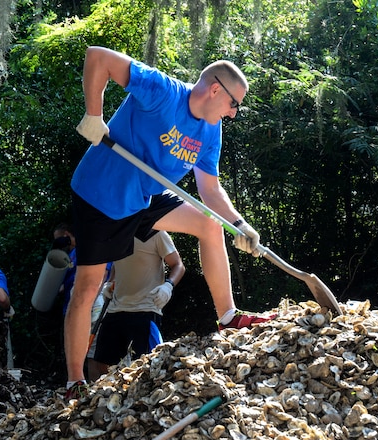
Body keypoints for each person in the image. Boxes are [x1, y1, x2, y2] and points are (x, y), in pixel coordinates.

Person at [64, 45, 277, 399]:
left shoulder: (211, 131)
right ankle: (74, 382)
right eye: (234, 103)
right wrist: (93, 115)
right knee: (87, 287)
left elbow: (209, 189)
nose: (234, 113)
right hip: (101, 194)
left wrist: (240, 224)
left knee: (211, 224)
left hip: (145, 197)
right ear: (215, 90)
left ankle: (228, 316)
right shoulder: (162, 91)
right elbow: (96, 57)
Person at [87, 231, 185, 382]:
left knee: (147, 365)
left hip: (145, 309)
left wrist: (168, 286)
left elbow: (178, 265)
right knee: (102, 364)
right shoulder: (116, 232)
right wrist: (110, 283)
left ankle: (142, 402)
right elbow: (116, 265)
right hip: (116, 308)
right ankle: (110, 399)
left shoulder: (156, 233)